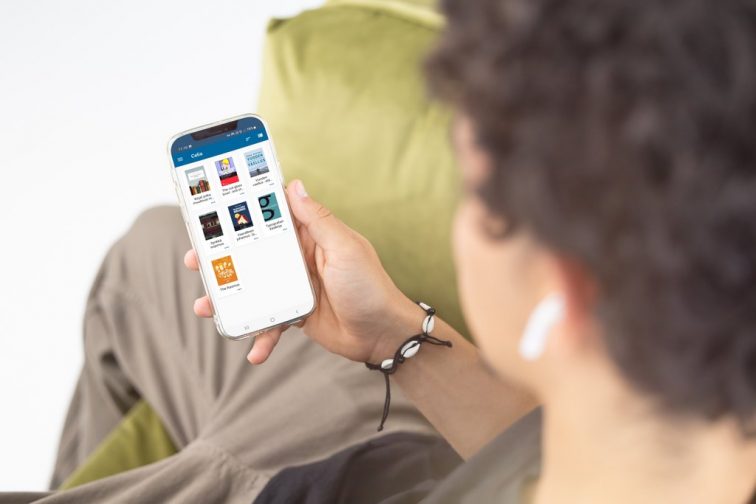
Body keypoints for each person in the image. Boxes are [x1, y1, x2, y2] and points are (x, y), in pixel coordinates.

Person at [3, 0, 755, 502]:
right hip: (410, 412)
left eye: (480, 204)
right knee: (151, 250)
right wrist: (397, 334)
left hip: (327, 467)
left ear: (563, 293)